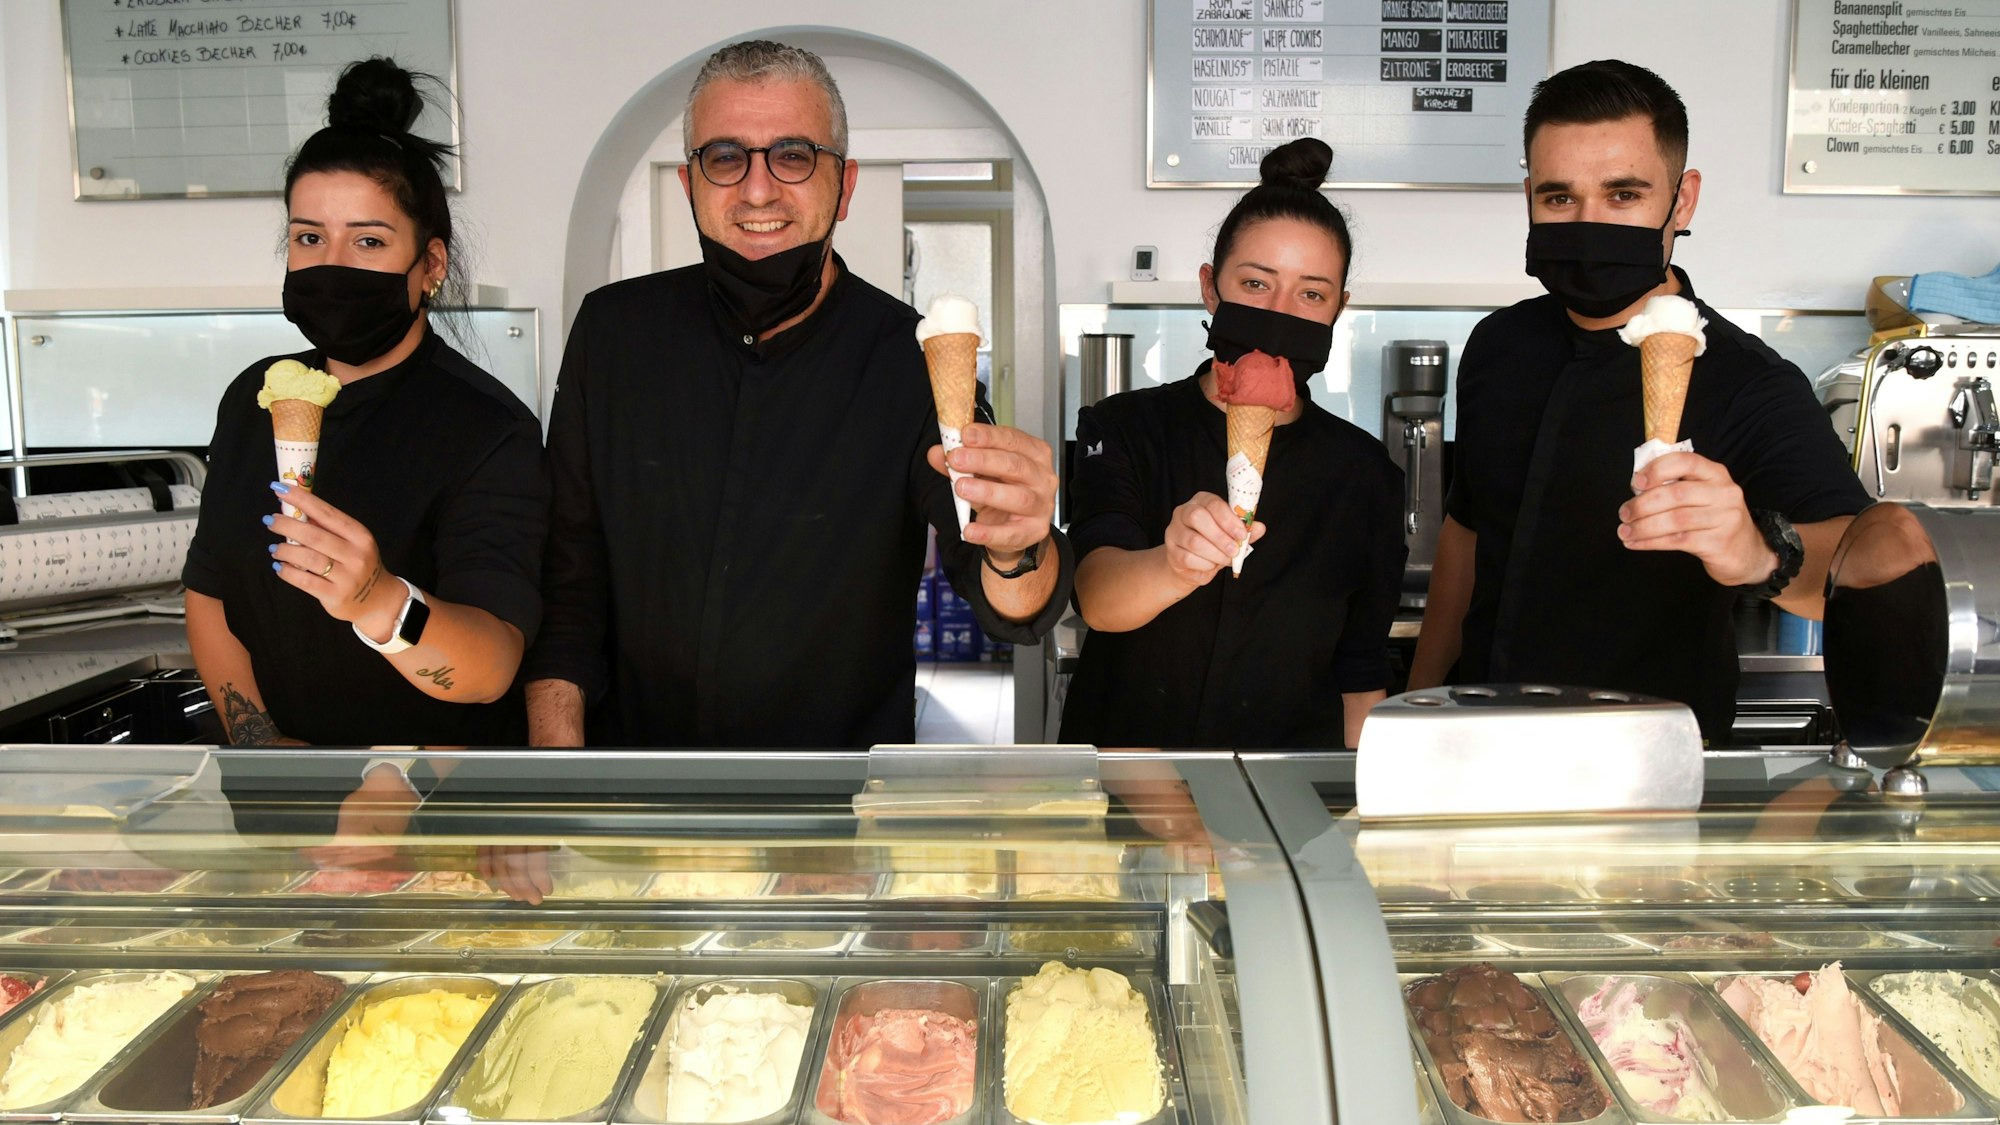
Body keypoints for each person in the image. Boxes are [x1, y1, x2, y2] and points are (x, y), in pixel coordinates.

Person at [524, 40, 1070, 747]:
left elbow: (1005, 599)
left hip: (831, 817)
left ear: (844, 189)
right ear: (691, 186)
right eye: (725, 157)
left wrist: (1018, 544)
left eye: (794, 155)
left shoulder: (908, 358)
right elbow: (569, 580)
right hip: (638, 795)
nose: (757, 190)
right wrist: (559, 786)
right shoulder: (613, 332)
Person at [1408, 60, 1870, 740]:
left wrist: (1759, 553)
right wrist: (1417, 699)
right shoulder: (1497, 344)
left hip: (1646, 762)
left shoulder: (1749, 381)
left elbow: (1858, 565)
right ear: (1529, 195)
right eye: (1560, 198)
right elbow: (1466, 536)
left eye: (1623, 195)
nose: (1588, 221)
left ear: (1682, 201)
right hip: (1476, 738)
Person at [184, 57, 548, 759]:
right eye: (309, 237)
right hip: (281, 807)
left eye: (370, 241)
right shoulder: (253, 398)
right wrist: (262, 745)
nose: (333, 263)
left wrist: (378, 600)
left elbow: (492, 666)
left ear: (431, 266)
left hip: (431, 815)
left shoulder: (485, 429)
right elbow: (209, 590)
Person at [1060, 139, 1405, 749]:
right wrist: (1173, 565)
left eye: (1312, 293)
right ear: (1211, 289)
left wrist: (1355, 811)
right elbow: (1097, 595)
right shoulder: (1124, 426)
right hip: (1132, 789)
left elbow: (1360, 674)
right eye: (1255, 283)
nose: (1280, 311)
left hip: (1285, 802)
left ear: (1339, 309)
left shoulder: (1363, 472)